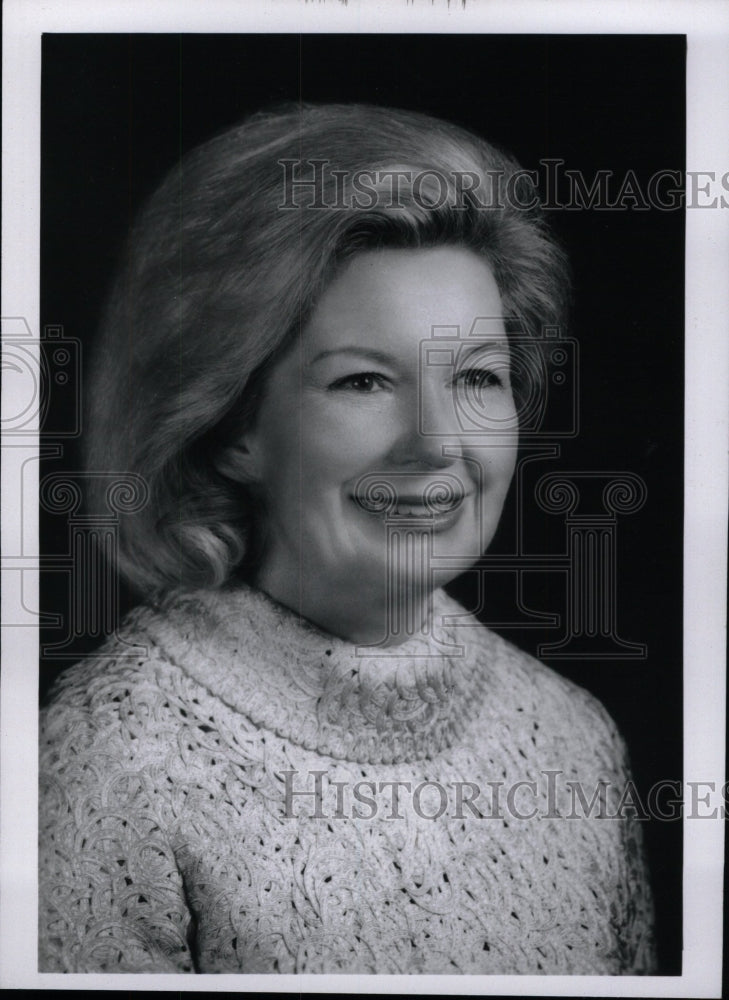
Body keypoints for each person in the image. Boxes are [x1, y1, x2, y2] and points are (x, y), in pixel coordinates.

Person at [39, 103, 655, 975]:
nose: (438, 443)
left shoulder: (572, 737)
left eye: (478, 376)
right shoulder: (109, 764)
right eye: (364, 380)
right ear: (229, 425)